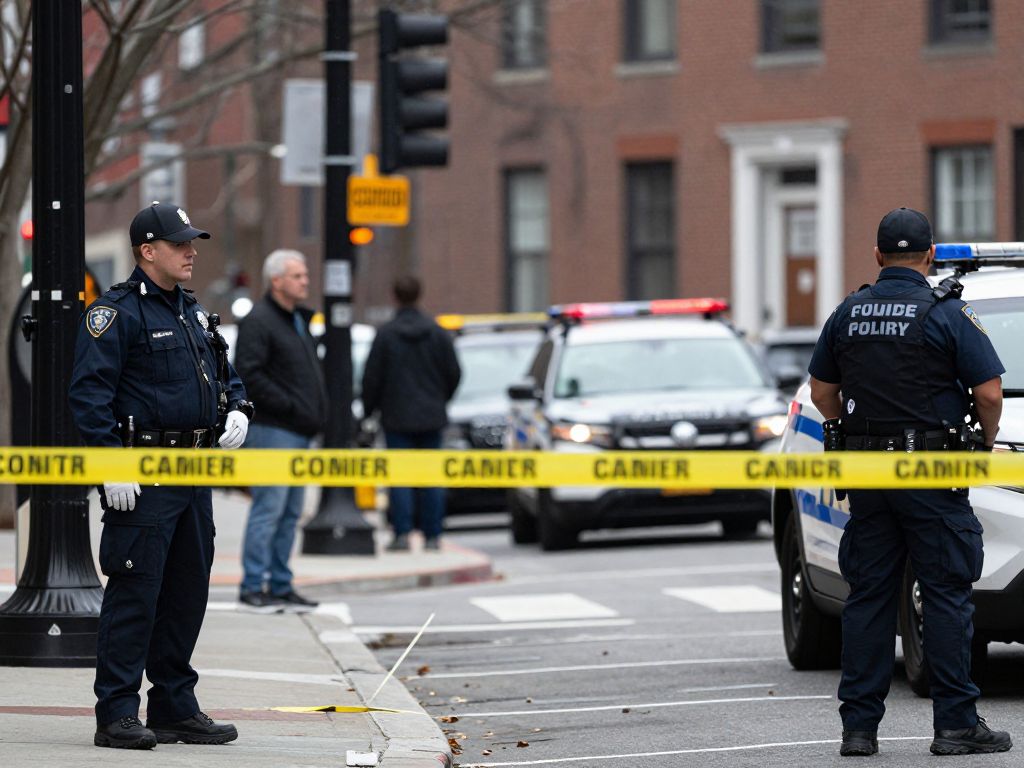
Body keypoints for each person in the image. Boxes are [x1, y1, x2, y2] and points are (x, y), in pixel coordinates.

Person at [808, 207, 1012, 757]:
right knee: (945, 595)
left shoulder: (848, 313)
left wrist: (844, 428)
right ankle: (954, 726)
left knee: (869, 597)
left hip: (869, 475)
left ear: (877, 256)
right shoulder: (945, 311)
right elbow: (989, 393)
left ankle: (859, 731)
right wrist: (985, 444)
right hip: (932, 474)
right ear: (929, 255)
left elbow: (822, 391)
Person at [69, 202, 253, 750]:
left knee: (185, 593)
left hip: (192, 474)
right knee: (135, 594)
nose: (191, 251)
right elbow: (88, 397)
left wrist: (238, 406)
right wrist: (111, 465)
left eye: (191, 241)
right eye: (179, 244)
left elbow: (225, 374)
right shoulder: (116, 314)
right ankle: (117, 712)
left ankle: (173, 704)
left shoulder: (192, 312)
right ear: (148, 251)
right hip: (142, 476)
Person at [235, 250, 327, 613]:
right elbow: (250, 374)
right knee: (268, 510)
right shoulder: (260, 321)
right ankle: (253, 585)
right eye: (298, 276)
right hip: (273, 431)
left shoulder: (296, 320)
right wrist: (291, 406)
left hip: (299, 431)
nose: (305, 281)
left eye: (305, 275)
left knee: (289, 513)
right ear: (277, 281)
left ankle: (281, 583)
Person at [361, 275, 461, 551]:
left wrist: (369, 412)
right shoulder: (437, 332)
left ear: (394, 296)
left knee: (400, 478)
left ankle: (402, 534)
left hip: (396, 417)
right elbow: (454, 372)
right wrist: (440, 400)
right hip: (431, 416)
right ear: (419, 294)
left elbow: (372, 378)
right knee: (431, 477)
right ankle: (432, 535)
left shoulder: (386, 334)